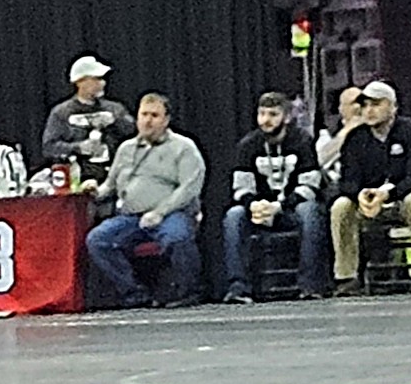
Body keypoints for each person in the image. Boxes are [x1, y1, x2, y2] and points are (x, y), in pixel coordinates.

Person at [85, 91, 205, 307]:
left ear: (166, 120)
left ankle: (189, 291)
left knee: (176, 237)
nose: (147, 121)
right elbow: (110, 185)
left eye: (154, 115)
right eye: (144, 115)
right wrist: (95, 191)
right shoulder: (126, 149)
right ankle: (134, 293)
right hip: (131, 217)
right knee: (98, 239)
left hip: (170, 214)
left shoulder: (183, 147)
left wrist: (160, 212)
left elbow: (189, 187)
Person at [329, 80, 411, 292]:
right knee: (341, 206)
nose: (369, 111)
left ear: (393, 106)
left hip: (402, 198)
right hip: (368, 202)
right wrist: (360, 195)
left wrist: (387, 194)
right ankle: (346, 277)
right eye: (366, 105)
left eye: (376, 104)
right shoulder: (355, 139)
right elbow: (347, 180)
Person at [221, 90, 324, 301]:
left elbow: (310, 186)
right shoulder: (247, 145)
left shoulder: (303, 142)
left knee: (309, 210)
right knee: (234, 215)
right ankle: (238, 288)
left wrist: (280, 206)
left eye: (273, 114)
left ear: (286, 117)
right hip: (259, 212)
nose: (266, 120)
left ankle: (309, 285)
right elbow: (241, 187)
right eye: (262, 114)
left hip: (290, 210)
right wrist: (254, 205)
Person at [42, 56, 135, 192]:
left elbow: (134, 133)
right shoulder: (61, 113)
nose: (102, 83)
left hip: (115, 178)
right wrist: (78, 147)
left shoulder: (115, 109)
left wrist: (116, 120)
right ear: (80, 82)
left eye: (102, 79)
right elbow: (49, 147)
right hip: (79, 180)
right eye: (96, 79)